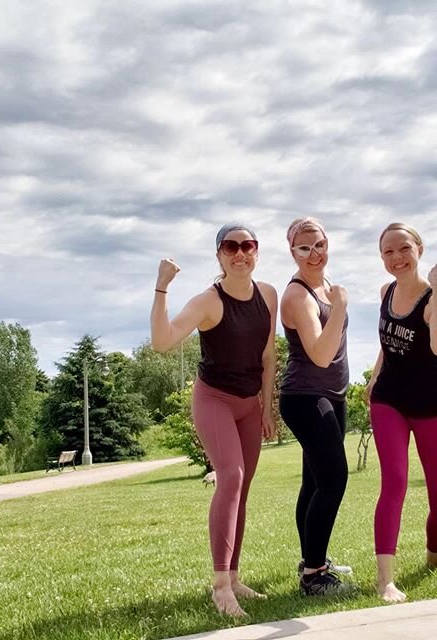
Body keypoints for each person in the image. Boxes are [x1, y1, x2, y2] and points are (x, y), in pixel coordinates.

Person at [150, 223, 278, 617]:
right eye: (230, 246)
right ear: (219, 255)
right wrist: (161, 288)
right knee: (232, 477)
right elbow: (162, 342)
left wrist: (268, 406)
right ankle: (221, 586)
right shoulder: (209, 301)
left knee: (243, 487)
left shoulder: (268, 295)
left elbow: (268, 355)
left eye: (247, 245)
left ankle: (235, 576)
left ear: (256, 251)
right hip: (214, 400)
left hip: (249, 405)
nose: (240, 253)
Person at [365, 222, 437, 603]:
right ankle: (385, 580)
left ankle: (435, 561)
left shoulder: (432, 298)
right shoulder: (385, 292)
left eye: (403, 248)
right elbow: (386, 343)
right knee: (394, 483)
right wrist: (375, 379)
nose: (396, 258)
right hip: (389, 401)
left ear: (419, 249)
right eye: (388, 252)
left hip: (430, 405)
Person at [279, 216, 352, 596]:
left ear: (328, 243)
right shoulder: (297, 296)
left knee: (313, 483)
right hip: (306, 398)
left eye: (319, 244)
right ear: (292, 252)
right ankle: (314, 575)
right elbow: (322, 355)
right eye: (304, 248)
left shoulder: (323, 287)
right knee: (334, 479)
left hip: (332, 397)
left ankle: (313, 558)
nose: (314, 254)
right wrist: (339, 307)